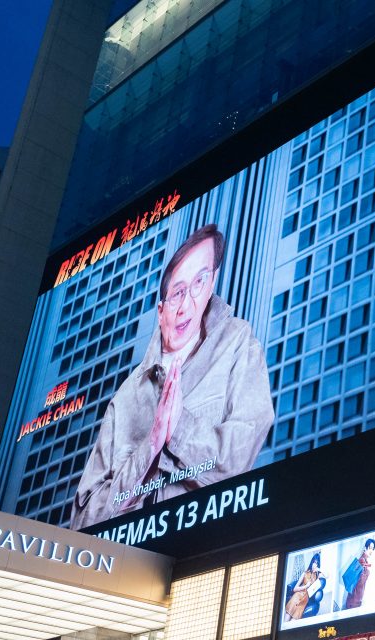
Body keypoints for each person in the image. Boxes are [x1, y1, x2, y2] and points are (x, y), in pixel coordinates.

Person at [71, 224, 275, 529]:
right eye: (178, 293)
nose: (187, 305)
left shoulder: (238, 343)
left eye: (199, 282)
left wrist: (177, 429)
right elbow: (82, 521)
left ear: (211, 284)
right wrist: (151, 446)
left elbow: (238, 460)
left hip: (205, 547)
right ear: (161, 309)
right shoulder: (126, 397)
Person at [286, 553, 326, 620]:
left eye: (317, 563)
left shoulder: (318, 575)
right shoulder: (304, 573)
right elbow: (295, 589)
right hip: (297, 596)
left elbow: (328, 575)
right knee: (287, 617)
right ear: (311, 562)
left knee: (293, 621)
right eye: (314, 562)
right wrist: (306, 586)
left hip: (305, 600)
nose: (315, 565)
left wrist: (319, 570)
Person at [343, 538, 375, 609]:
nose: (371, 550)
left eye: (373, 548)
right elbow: (360, 582)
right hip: (354, 601)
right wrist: (368, 571)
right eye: (370, 548)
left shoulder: (365, 561)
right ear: (365, 548)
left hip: (356, 599)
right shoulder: (362, 560)